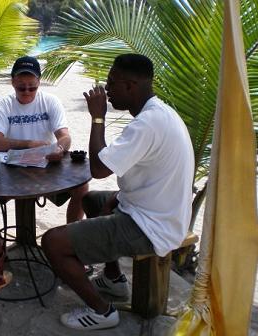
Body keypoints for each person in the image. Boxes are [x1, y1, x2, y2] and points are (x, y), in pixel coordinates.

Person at [41, 54, 194, 330]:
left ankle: (102, 311)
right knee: (91, 200)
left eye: (112, 83)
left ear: (131, 85)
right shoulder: (159, 113)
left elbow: (99, 168)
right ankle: (113, 279)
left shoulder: (146, 124)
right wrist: (120, 197)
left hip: (151, 226)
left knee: (53, 243)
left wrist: (97, 118)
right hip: (157, 211)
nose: (106, 90)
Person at [0, 56, 88, 223]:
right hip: (13, 168)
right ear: (13, 82)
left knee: (82, 187)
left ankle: (70, 234)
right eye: (21, 88)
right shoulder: (4, 104)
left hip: (45, 167)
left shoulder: (50, 101)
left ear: (39, 83)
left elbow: (64, 136)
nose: (27, 92)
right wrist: (28, 144)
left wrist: (60, 149)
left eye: (32, 88)